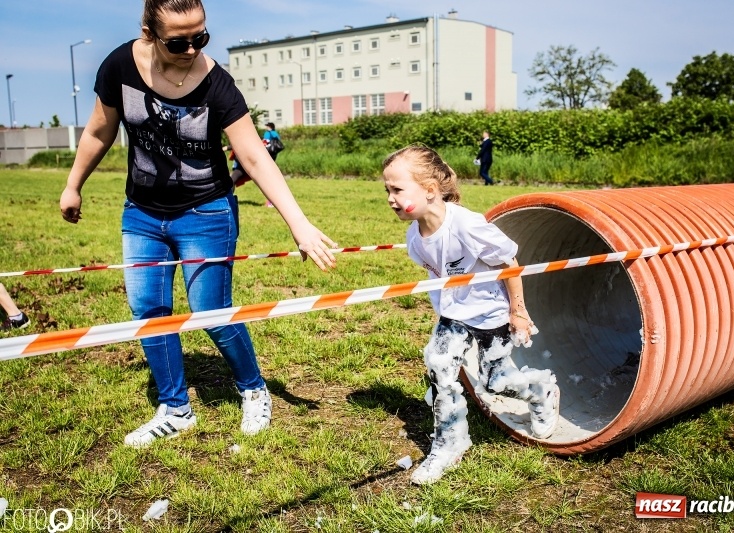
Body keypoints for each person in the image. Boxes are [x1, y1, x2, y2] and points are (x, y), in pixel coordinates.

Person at [59, 0, 337, 448]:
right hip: (142, 214)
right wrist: (74, 185)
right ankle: (175, 409)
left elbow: (252, 155)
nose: (191, 48)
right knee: (149, 312)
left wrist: (299, 223)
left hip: (206, 212)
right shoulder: (119, 66)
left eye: (200, 37)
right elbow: (98, 130)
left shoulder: (216, 83)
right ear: (148, 32)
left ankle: (253, 389)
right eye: (178, 40)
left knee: (211, 311)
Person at [382, 145, 559, 485]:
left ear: (431, 190)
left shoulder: (467, 225)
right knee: (439, 366)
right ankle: (449, 443)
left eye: (397, 189)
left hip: (490, 316)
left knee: (499, 382)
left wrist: (518, 312)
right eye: (387, 189)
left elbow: (510, 263)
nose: (390, 198)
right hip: (453, 317)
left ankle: (542, 390)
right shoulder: (414, 236)